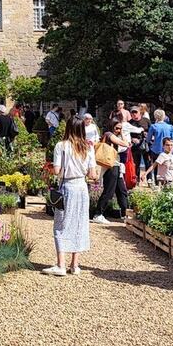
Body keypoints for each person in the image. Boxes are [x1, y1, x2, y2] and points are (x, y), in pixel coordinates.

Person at [42, 115, 97, 276]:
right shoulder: (88, 147)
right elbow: (93, 174)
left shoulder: (61, 146)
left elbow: (57, 171)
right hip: (82, 187)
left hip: (67, 186)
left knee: (61, 224)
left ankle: (60, 264)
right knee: (79, 223)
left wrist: (50, 169)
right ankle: (75, 265)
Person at [92, 119, 129, 224]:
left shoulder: (114, 135)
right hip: (110, 165)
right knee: (109, 191)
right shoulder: (109, 134)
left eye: (120, 128)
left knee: (121, 191)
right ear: (111, 126)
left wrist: (121, 132)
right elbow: (125, 144)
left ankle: (125, 213)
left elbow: (126, 144)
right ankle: (98, 214)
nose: (119, 130)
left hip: (116, 164)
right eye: (117, 128)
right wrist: (121, 134)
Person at [145, 109, 173, 183]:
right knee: (169, 167)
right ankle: (168, 181)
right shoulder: (170, 127)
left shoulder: (154, 126)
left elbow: (148, 139)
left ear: (155, 117)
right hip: (168, 150)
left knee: (156, 168)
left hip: (156, 149)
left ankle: (157, 182)